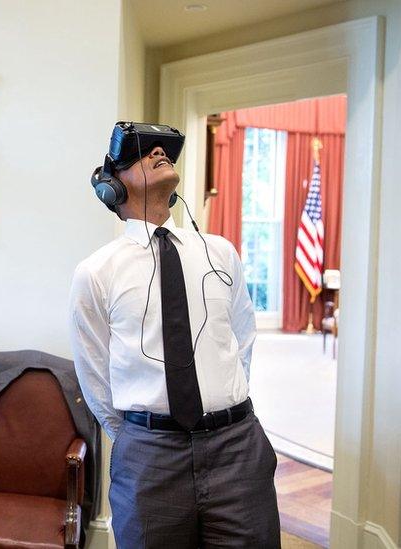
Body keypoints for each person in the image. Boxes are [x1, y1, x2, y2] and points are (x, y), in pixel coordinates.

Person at [69, 126, 280, 548]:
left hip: (236, 447)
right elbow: (94, 377)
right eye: (141, 154)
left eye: (164, 149)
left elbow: (243, 340)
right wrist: (139, 435)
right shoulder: (96, 273)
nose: (160, 153)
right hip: (151, 459)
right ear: (111, 187)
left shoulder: (219, 252)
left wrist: (223, 407)